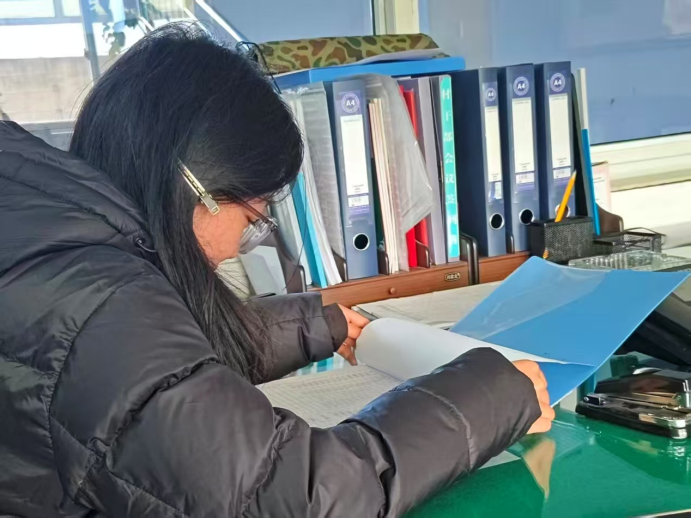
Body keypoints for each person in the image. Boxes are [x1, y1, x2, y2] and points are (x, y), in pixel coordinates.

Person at [0, 24, 554, 518]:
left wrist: (311, 324)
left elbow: (148, 385)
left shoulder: (46, 237)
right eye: (251, 218)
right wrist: (492, 398)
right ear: (196, 186)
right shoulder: (105, 305)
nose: (235, 248)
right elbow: (296, 496)